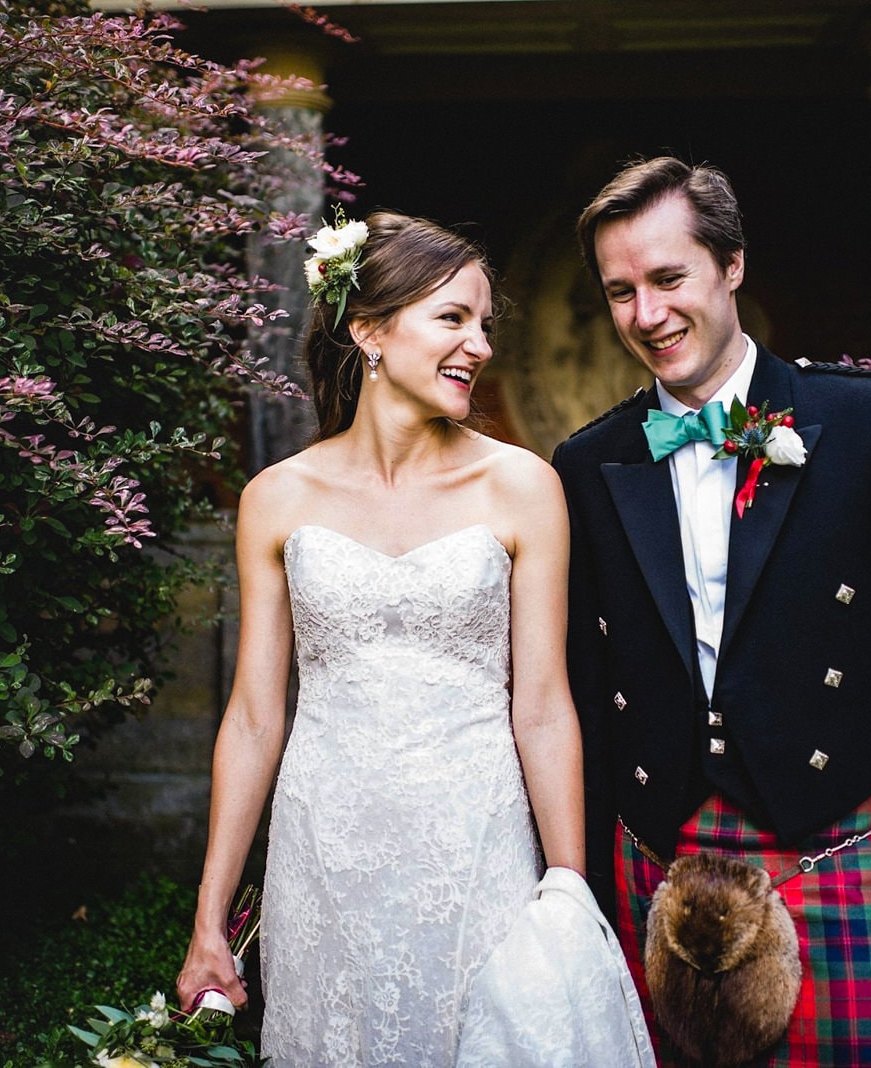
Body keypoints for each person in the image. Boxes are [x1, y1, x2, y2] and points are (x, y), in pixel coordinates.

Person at [551, 156, 871, 1065]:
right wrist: (588, 906)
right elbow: (584, 698)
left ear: (732, 266)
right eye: (620, 292)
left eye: (669, 278)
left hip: (837, 844)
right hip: (659, 854)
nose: (647, 315)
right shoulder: (587, 464)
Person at [176, 211, 587, 1065]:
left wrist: (568, 892)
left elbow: (543, 706)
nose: (478, 344)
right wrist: (209, 920)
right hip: (323, 851)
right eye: (452, 318)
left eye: (484, 324)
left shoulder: (523, 487)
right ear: (367, 330)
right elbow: (255, 717)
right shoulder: (276, 499)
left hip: (477, 845)